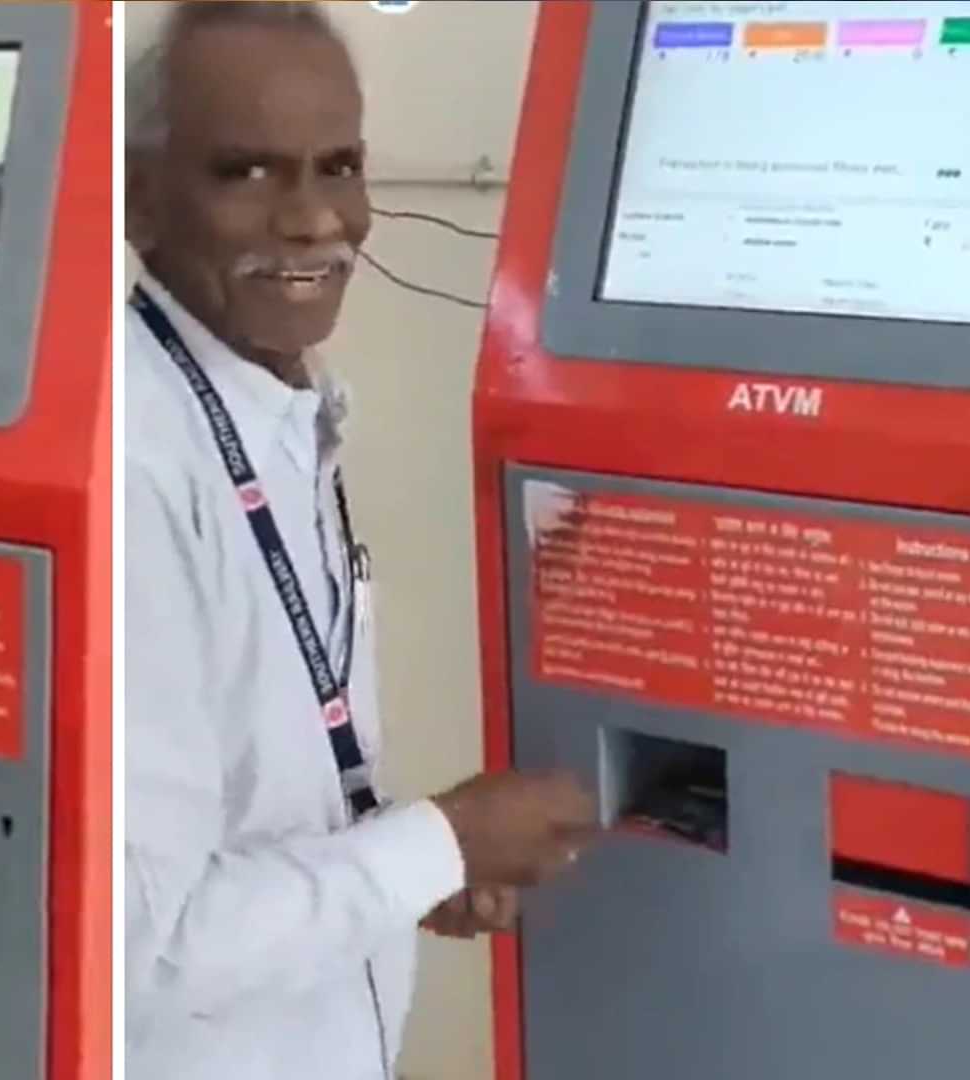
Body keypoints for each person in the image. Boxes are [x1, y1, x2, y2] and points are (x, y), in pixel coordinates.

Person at [122, 5, 598, 1079]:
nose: (313, 221)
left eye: (338, 167)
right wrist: (440, 843)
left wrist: (395, 868)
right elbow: (145, 950)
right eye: (248, 172)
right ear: (141, 197)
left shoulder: (280, 408)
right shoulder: (141, 466)